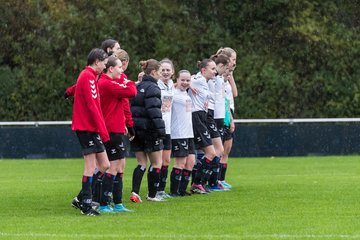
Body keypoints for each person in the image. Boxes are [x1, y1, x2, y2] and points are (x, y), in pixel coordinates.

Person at [70, 48, 110, 216]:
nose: (105, 67)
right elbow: (93, 106)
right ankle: (86, 206)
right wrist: (103, 130)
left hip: (91, 128)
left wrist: (69, 92)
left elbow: (78, 89)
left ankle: (80, 198)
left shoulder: (89, 76)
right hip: (86, 128)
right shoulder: (88, 76)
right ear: (96, 62)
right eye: (104, 63)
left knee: (105, 165)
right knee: (91, 166)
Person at [97, 56, 137, 213]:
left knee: (120, 167)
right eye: (120, 67)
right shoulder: (107, 84)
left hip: (118, 129)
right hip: (111, 130)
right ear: (111, 68)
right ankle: (104, 204)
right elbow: (132, 91)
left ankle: (118, 203)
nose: (122, 71)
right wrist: (128, 81)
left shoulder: (112, 83)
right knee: (112, 168)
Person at [130, 59, 166, 202]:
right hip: (150, 130)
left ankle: (135, 193)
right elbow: (154, 112)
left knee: (141, 163)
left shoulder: (136, 86)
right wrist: (161, 131)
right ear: (153, 72)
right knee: (157, 163)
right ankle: (152, 195)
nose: (161, 74)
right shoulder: (154, 88)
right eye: (160, 71)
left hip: (136, 130)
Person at [188, 59, 220, 194]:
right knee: (211, 153)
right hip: (196, 117)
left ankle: (198, 183)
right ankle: (196, 183)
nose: (215, 71)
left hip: (202, 117)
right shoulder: (198, 79)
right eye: (212, 68)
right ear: (203, 70)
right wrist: (189, 83)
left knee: (205, 154)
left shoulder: (205, 82)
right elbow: (184, 78)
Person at [205, 53, 230, 191]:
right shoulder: (209, 79)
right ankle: (207, 182)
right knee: (214, 151)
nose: (227, 73)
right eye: (226, 70)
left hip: (219, 117)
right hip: (211, 116)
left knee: (218, 151)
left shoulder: (219, 79)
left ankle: (213, 181)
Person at [169, 70, 195, 196]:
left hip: (189, 134)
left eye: (187, 80)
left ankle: (182, 189)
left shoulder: (187, 94)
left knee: (190, 162)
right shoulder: (173, 94)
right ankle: (174, 191)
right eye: (182, 80)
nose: (185, 83)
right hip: (178, 134)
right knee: (180, 162)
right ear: (177, 80)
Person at [157, 58, 175, 199]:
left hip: (168, 129)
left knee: (167, 161)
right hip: (158, 128)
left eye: (168, 70)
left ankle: (161, 190)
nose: (165, 72)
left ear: (172, 72)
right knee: (157, 161)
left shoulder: (172, 86)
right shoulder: (155, 85)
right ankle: (154, 190)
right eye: (162, 69)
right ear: (158, 71)